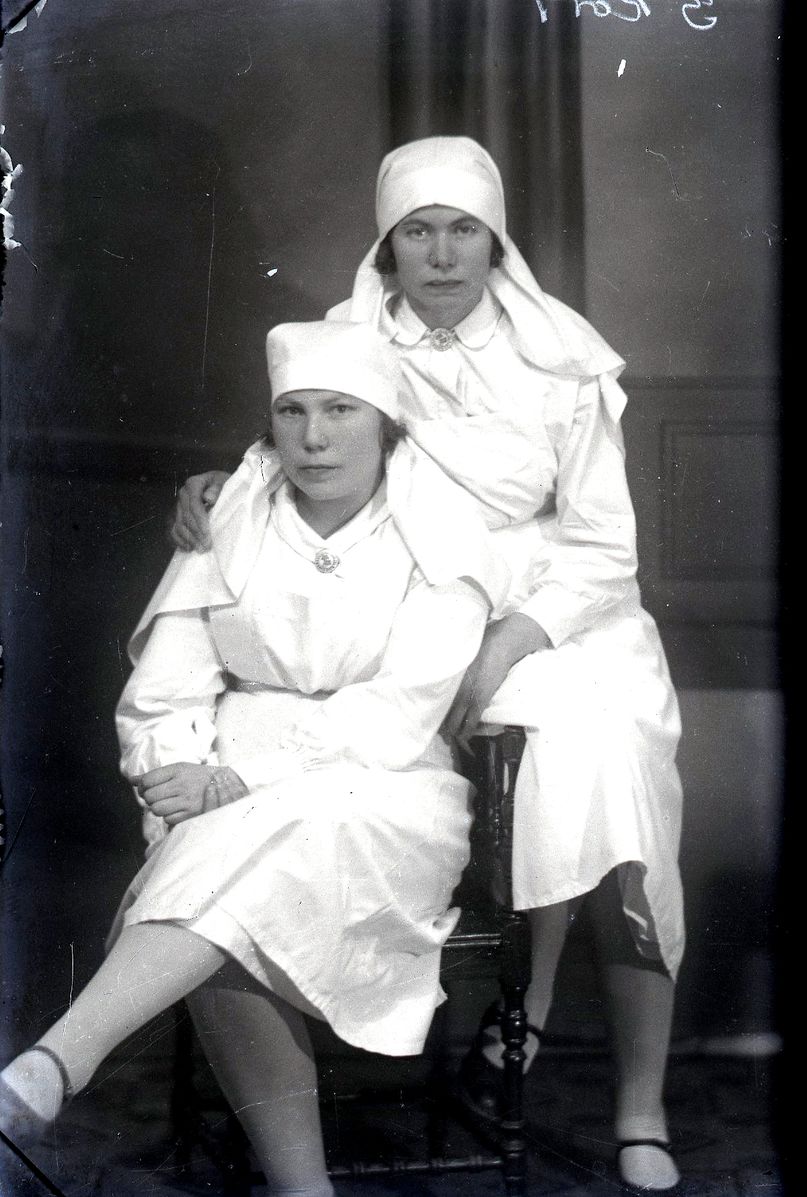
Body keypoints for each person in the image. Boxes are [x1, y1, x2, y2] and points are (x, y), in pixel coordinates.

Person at [171, 136, 686, 1193]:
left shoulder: (562, 356)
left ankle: (638, 1100)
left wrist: (510, 640)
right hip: (408, 600)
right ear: (387, 244)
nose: (441, 256)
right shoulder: (348, 336)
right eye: (417, 232)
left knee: (611, 762)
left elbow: (604, 547)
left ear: (494, 241)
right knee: (466, 761)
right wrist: (217, 485)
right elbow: (299, 450)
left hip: (564, 611)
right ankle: (518, 1000)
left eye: (462, 231)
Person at [0, 320, 507, 1197]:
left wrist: (238, 780)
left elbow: (399, 710)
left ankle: (55, 1061)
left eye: (341, 410)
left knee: (249, 855)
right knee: (233, 896)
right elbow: (166, 687)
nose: (313, 437)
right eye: (292, 411)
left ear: (386, 423)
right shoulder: (234, 514)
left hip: (385, 783)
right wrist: (175, 774)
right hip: (225, 770)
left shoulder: (441, 531)